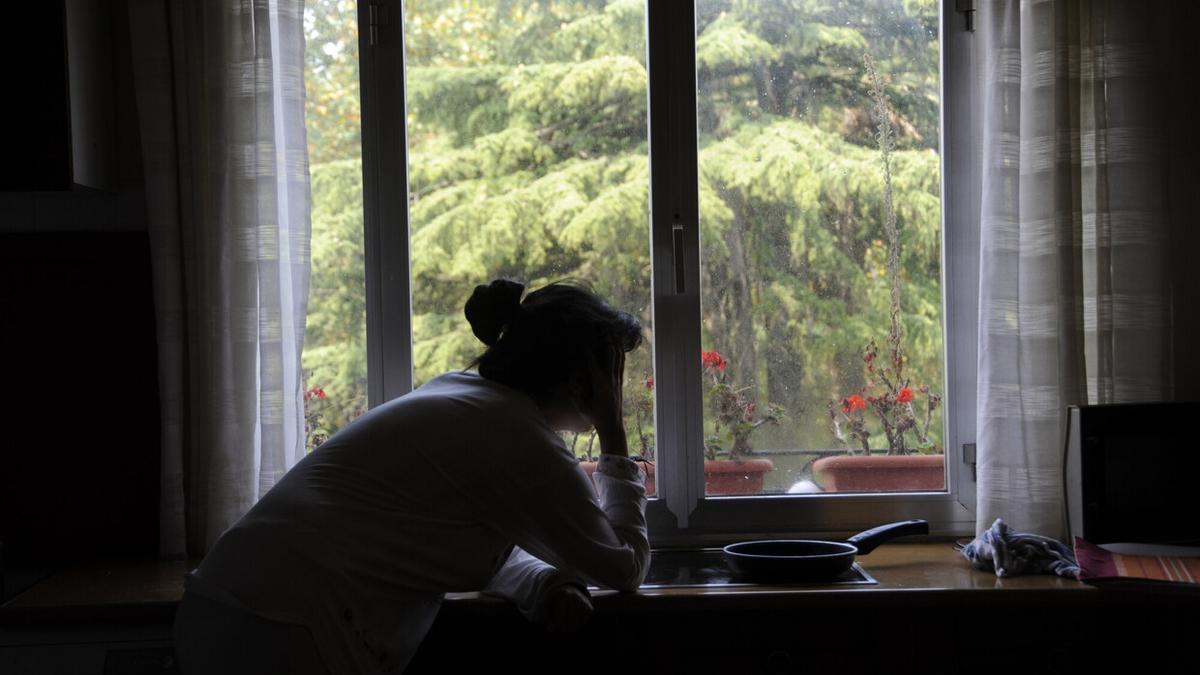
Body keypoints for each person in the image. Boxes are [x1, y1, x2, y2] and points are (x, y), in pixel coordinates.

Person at [172, 279, 651, 674]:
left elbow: (472, 540)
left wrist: (545, 582)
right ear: (586, 378)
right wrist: (612, 427)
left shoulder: (466, 397)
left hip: (230, 606)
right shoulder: (519, 437)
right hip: (282, 628)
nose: (617, 385)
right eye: (613, 372)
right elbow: (624, 566)